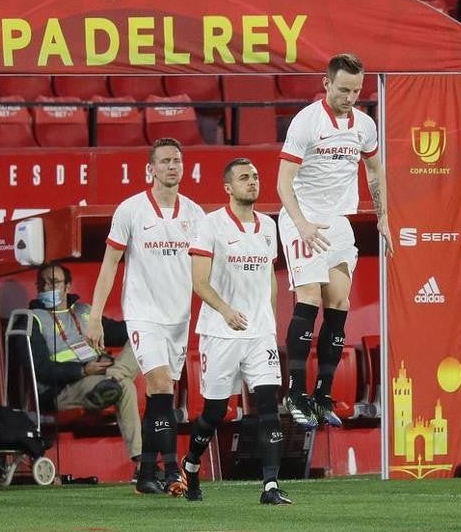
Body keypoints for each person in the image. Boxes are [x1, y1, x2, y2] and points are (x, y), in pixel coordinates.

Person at [86, 137, 205, 494]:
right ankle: (171, 471)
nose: (172, 166)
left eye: (177, 160)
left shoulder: (194, 214)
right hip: (143, 314)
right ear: (149, 169)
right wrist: (94, 317)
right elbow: (109, 267)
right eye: (166, 161)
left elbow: (204, 269)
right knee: (160, 385)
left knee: (160, 397)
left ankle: (144, 476)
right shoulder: (131, 210)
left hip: (178, 317)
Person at [277, 53, 391, 428]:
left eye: (356, 90)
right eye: (343, 89)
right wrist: (301, 224)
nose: (350, 96)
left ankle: (322, 397)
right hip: (302, 218)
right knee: (309, 297)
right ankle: (294, 393)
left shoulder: (364, 124)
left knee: (338, 301)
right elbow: (283, 182)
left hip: (338, 221)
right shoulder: (306, 122)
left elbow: (374, 171)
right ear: (326, 84)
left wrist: (383, 218)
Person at [179, 158, 290, 506]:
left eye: (255, 176)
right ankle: (192, 464)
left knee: (269, 405)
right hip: (221, 333)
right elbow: (198, 281)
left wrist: (269, 322)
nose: (252, 182)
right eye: (244, 178)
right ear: (228, 187)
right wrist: (226, 311)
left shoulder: (269, 227)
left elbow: (270, 277)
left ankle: (270, 486)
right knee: (215, 412)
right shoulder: (209, 226)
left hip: (259, 335)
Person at [26, 262, 141, 471]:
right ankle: (143, 465)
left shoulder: (85, 312)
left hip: (100, 375)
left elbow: (121, 331)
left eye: (53, 282)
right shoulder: (33, 319)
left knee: (141, 338)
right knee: (126, 387)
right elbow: (41, 369)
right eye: (41, 283)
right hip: (63, 388)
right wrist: (82, 370)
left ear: (68, 286)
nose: (45, 288)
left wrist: (146, 325)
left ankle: (113, 379)